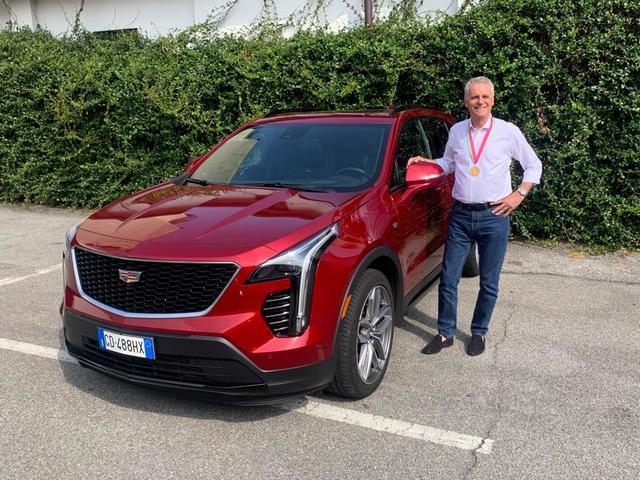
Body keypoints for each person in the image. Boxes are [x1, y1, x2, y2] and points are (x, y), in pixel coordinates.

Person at [409, 76, 542, 356]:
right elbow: (449, 162)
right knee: (448, 278)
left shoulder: (507, 131)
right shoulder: (457, 130)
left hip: (494, 215)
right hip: (461, 215)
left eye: (485, 97)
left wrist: (518, 194)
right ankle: (445, 333)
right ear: (466, 101)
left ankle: (479, 332)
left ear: (492, 100)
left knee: (489, 282)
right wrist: (428, 162)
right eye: (474, 97)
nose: (480, 101)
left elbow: (533, 165)